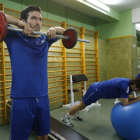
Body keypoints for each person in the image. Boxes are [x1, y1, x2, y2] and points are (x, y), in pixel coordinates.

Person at [4, 5, 65, 140]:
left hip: (43, 97)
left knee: (43, 136)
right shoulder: (13, 35)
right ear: (24, 20)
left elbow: (65, 32)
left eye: (40, 19)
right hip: (22, 99)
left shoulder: (44, 40)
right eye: (33, 18)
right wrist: (18, 24)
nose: (38, 22)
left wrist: (53, 29)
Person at [61, 77, 140, 127]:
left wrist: (137, 98)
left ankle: (75, 113)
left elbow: (129, 99)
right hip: (95, 90)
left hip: (99, 90)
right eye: (138, 89)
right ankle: (66, 118)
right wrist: (138, 99)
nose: (137, 91)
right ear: (134, 84)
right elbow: (125, 103)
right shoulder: (125, 86)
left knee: (82, 106)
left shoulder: (129, 86)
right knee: (81, 106)